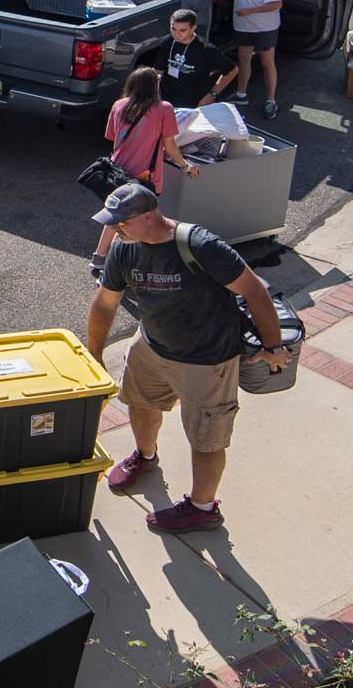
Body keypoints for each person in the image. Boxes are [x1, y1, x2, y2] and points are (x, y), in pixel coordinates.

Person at [87, 183, 290, 533]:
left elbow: (255, 291)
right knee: (140, 403)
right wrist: (93, 354)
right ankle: (145, 456)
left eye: (122, 222)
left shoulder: (200, 246)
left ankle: (202, 508)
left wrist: (273, 347)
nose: (115, 229)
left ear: (149, 216)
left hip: (207, 360)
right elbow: (105, 303)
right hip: (152, 346)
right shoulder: (124, 250)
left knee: (207, 437)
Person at [90, 65, 201, 273]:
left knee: (117, 217)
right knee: (134, 226)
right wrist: (186, 166)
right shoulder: (164, 109)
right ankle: (115, 268)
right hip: (145, 176)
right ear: (154, 86)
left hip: (117, 171)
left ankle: (98, 258)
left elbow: (113, 138)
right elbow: (170, 145)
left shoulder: (119, 105)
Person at [227, 0, 282, 119]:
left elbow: (276, 4)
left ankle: (271, 100)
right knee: (244, 59)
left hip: (265, 28)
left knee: (267, 63)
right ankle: (241, 94)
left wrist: (250, 11)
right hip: (243, 27)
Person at [159, 8, 236, 109]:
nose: (176, 34)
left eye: (182, 30)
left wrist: (212, 94)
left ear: (193, 28)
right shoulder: (168, 42)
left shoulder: (206, 49)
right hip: (168, 101)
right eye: (173, 29)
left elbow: (232, 70)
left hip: (195, 103)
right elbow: (158, 68)